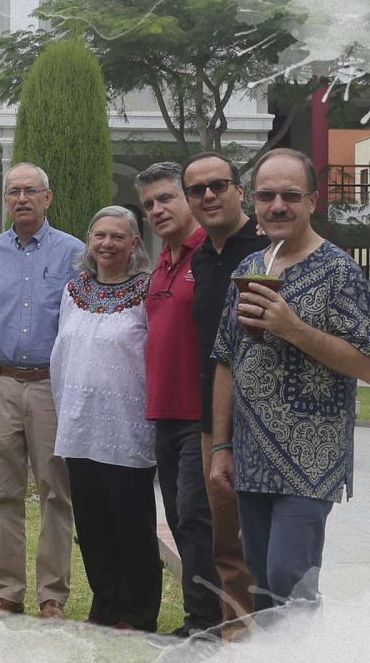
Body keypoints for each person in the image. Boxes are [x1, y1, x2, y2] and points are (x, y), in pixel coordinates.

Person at [211, 148, 370, 611]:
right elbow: (225, 357)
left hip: (310, 460)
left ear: (313, 200)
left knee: (290, 580)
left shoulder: (341, 272)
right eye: (266, 195)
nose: (277, 205)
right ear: (254, 202)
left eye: (290, 195)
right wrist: (222, 446)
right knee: (261, 583)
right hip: (251, 455)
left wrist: (293, 328)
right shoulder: (250, 269)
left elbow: (365, 361)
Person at [0, 162, 82, 619]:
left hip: (52, 386)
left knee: (57, 491)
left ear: (47, 198)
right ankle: (7, 592)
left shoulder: (75, 252)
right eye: (13, 191)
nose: (21, 199)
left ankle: (52, 594)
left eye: (30, 191)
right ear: (5, 199)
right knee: (2, 492)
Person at [51, 206, 160, 631]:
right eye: (100, 235)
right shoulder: (74, 290)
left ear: (134, 243)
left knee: (131, 522)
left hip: (127, 426)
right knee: (92, 524)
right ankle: (105, 603)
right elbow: (63, 353)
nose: (107, 244)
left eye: (118, 236)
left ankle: (138, 611)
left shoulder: (147, 292)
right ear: (89, 241)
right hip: (79, 426)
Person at [135, 162, 222, 636]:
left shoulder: (210, 257)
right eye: (149, 204)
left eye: (166, 198)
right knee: (178, 515)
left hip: (200, 415)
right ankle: (206, 618)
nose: (157, 209)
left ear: (188, 199)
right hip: (163, 415)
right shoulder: (162, 263)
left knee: (195, 519)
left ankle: (205, 624)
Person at [183, 151, 264, 634]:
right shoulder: (203, 258)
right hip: (213, 417)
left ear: (239, 189)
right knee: (225, 539)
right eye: (198, 189)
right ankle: (238, 635)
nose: (209, 195)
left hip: (266, 420)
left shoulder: (266, 249)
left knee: (263, 540)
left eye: (219, 185)